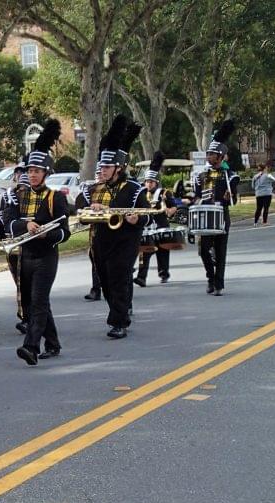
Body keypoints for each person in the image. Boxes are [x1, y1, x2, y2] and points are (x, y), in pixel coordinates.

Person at [2, 119, 70, 364]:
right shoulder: (17, 196)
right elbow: (8, 222)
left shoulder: (55, 198)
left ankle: (30, 347)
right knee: (32, 303)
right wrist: (26, 225)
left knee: (39, 300)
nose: (32, 175)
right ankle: (52, 343)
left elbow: (65, 233)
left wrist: (47, 234)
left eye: (37, 171)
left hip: (46, 256)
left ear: (46, 173)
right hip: (24, 256)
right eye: (30, 171)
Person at [76, 115, 151, 339]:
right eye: (102, 166)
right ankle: (119, 309)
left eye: (107, 166)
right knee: (106, 280)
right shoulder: (92, 190)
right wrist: (92, 208)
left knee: (119, 277)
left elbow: (146, 214)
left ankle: (119, 322)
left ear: (118, 167)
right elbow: (80, 211)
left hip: (126, 241)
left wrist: (137, 219)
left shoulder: (134, 188)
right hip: (101, 241)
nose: (103, 170)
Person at [195, 120, 239, 295]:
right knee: (203, 250)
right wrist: (192, 201)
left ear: (220, 156)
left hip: (221, 215)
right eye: (208, 153)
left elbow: (234, 199)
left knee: (221, 251)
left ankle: (219, 284)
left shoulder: (230, 175)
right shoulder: (201, 175)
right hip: (205, 216)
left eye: (212, 153)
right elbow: (197, 195)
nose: (208, 156)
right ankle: (210, 278)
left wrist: (230, 198)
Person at [0, 158, 32, 332]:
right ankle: (27, 317)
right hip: (12, 249)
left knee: (28, 285)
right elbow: (1, 222)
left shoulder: (34, 202)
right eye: (19, 188)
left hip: (30, 247)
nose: (21, 191)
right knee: (20, 284)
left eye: (24, 189)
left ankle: (29, 319)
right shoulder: (9, 199)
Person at [133, 152, 178, 287]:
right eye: (146, 181)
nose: (148, 184)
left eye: (151, 182)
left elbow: (173, 209)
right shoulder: (141, 194)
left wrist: (166, 209)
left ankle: (164, 273)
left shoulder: (164, 193)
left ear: (156, 182)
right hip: (147, 228)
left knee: (163, 251)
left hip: (161, 226)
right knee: (144, 252)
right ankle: (141, 277)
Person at [81, 167, 103, 301]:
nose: (101, 175)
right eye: (98, 173)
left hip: (117, 233)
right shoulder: (91, 190)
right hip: (96, 230)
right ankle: (96, 289)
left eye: (104, 171)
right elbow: (82, 209)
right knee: (95, 259)